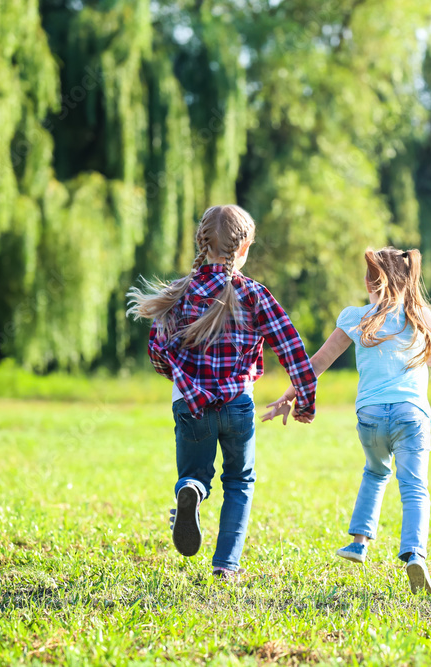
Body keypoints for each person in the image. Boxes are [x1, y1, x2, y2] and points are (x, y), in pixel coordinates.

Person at [126, 204, 318, 580]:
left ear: (202, 242)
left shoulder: (178, 293)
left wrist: (183, 382)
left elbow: (156, 351)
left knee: (196, 473)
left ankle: (192, 491)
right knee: (239, 481)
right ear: (244, 247)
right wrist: (305, 401)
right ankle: (226, 565)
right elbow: (292, 349)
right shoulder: (254, 294)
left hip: (190, 407)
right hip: (237, 405)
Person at [264, 247, 431, 594]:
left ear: (369, 282)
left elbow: (315, 365)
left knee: (375, 471)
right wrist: (424, 319)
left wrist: (287, 397)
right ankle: (415, 554)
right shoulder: (416, 318)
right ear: (409, 281)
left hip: (369, 416)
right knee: (414, 487)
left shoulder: (355, 317)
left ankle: (359, 542)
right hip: (411, 415)